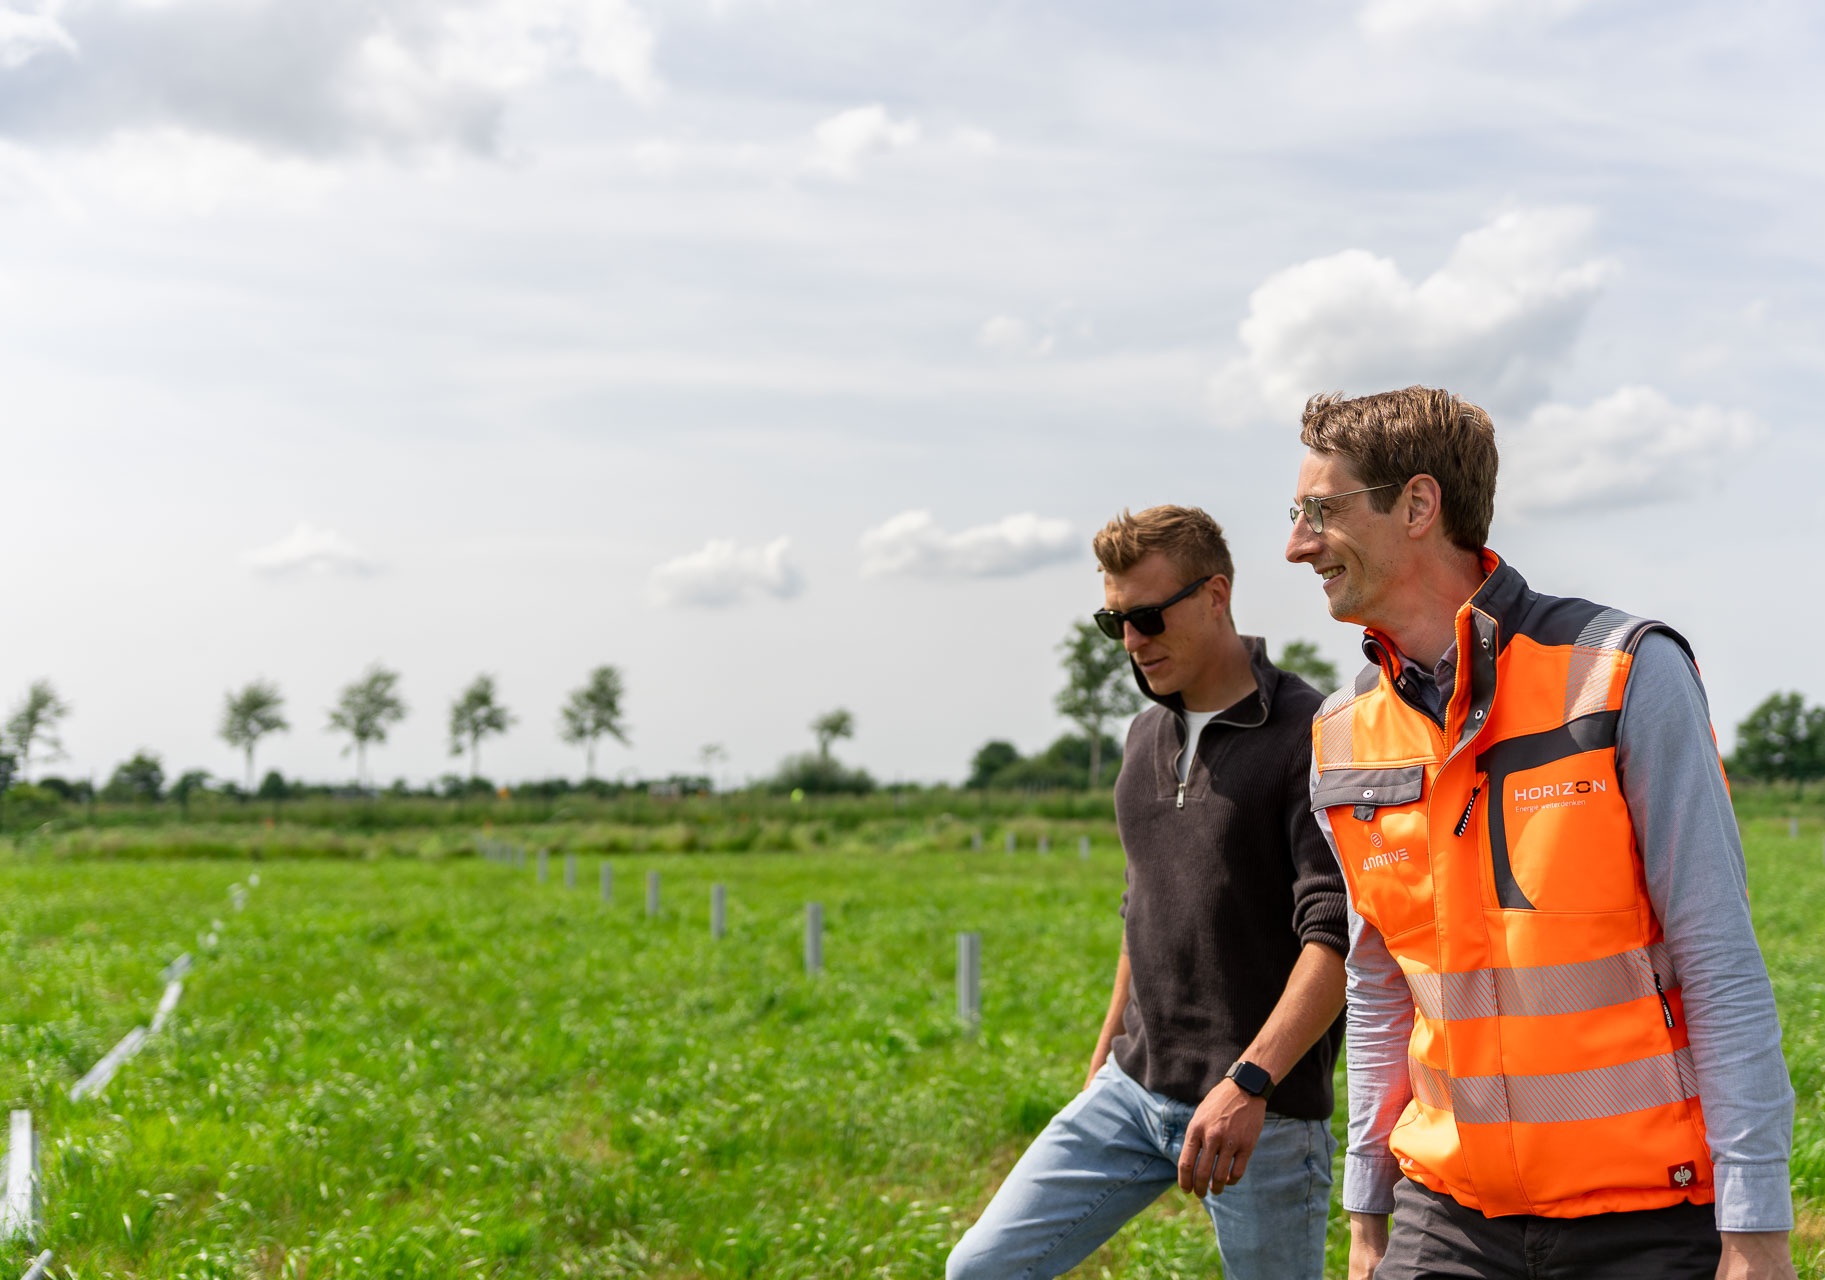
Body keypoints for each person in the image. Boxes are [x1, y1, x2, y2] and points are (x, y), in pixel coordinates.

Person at [1283, 387, 1797, 1280]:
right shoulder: (1340, 734)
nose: (1296, 544)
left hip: (1647, 1221)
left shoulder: (1625, 671)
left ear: (1416, 505)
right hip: (1446, 1219)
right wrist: (1365, 1210)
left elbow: (1716, 956)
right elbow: (1377, 985)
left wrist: (1755, 1229)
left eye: (1319, 511)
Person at [947, 505, 1348, 1280]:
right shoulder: (1141, 740)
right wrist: (1104, 1058)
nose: (1132, 641)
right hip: (1132, 1092)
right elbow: (1143, 909)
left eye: (1148, 618)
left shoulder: (1315, 734)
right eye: (1114, 623)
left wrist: (1250, 1082)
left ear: (1215, 596)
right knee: (981, 1268)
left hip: (1261, 1115)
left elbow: (1337, 938)